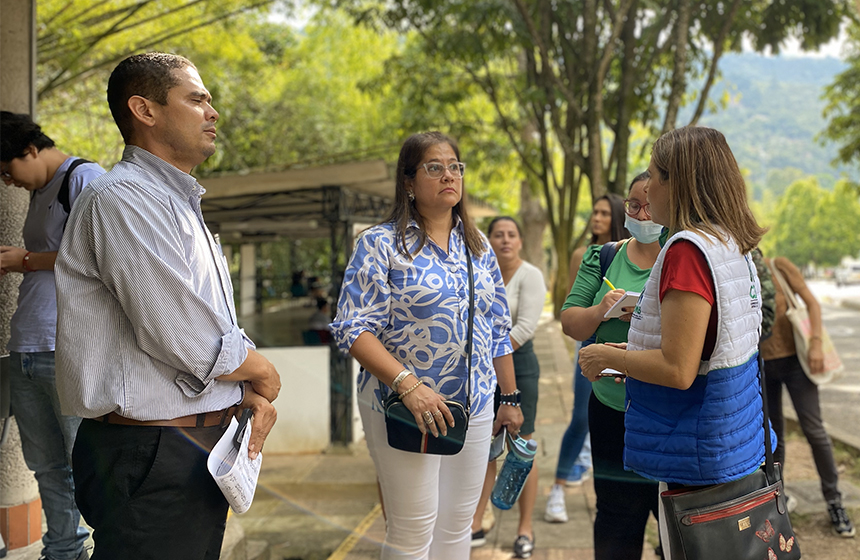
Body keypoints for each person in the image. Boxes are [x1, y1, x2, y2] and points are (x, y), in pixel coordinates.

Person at [53, 52, 280, 560]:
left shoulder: (172, 201)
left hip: (183, 447)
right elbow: (178, 331)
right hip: (151, 450)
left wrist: (243, 386)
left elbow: (207, 323)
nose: (213, 111)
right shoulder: (123, 198)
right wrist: (262, 372)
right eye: (197, 98)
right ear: (145, 109)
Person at [578, 126, 770, 559]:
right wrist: (629, 353)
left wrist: (608, 355)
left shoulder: (687, 250)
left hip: (693, 446)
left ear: (676, 182)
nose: (646, 190)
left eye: (653, 177)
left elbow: (679, 370)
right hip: (730, 437)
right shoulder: (728, 242)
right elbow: (706, 350)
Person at [330, 131, 523, 560]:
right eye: (434, 167)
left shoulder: (478, 247)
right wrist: (408, 384)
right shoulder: (380, 244)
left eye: (455, 166)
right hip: (403, 405)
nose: (448, 175)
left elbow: (497, 328)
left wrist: (508, 397)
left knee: (458, 526)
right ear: (408, 183)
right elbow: (353, 328)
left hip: (472, 406)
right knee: (412, 530)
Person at [0, 111, 105, 560]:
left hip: (65, 346)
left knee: (86, 464)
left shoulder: (85, 179)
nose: (7, 182)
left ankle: (111, 548)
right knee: (46, 466)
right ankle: (63, 551)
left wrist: (25, 260)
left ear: (29, 150)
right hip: (25, 346)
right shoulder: (41, 189)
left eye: (7, 171)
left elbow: (102, 261)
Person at [559, 172, 662, 559]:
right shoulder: (604, 257)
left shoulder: (683, 256)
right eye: (634, 205)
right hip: (608, 408)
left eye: (649, 204)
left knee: (672, 518)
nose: (641, 212)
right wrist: (602, 310)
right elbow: (570, 321)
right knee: (616, 518)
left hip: (663, 413)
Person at [545, 192, 629, 524]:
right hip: (591, 346)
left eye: (604, 213)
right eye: (594, 212)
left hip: (627, 355)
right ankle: (558, 487)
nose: (596, 218)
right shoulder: (586, 254)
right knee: (581, 417)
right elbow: (573, 306)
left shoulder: (638, 253)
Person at [762, 255, 855, 537]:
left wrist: (815, 344)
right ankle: (778, 499)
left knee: (814, 430)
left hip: (796, 362)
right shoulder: (735, 271)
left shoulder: (777, 266)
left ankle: (834, 500)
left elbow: (812, 304)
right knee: (772, 436)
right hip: (762, 366)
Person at [470, 217, 546, 558]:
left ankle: (524, 528)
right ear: (488, 240)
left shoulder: (530, 276)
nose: (504, 240)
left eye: (511, 234)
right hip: (481, 372)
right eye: (497, 234)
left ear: (519, 241)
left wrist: (490, 358)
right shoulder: (478, 269)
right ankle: (475, 522)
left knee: (522, 448)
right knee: (484, 448)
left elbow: (525, 326)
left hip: (519, 368)